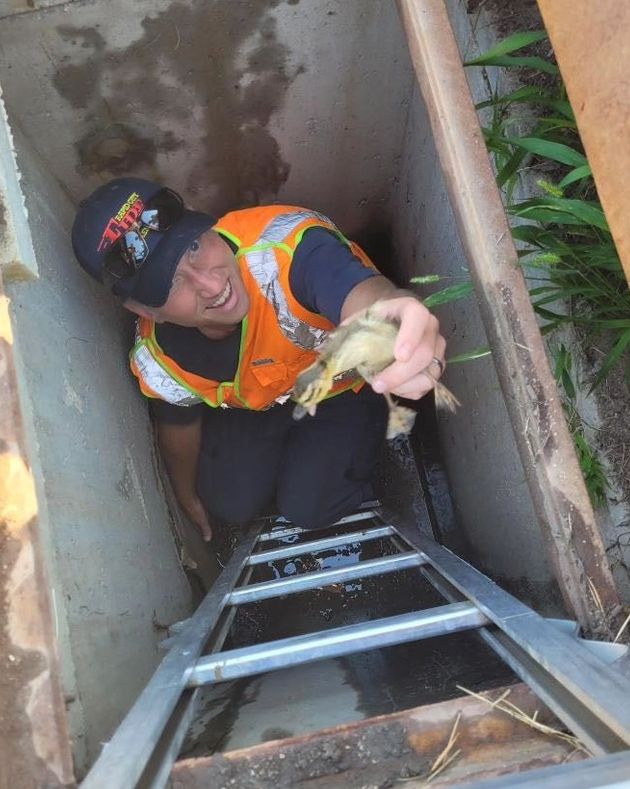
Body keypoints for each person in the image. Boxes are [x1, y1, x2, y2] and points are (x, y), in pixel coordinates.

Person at [71, 178, 447, 541]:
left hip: (339, 391)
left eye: (193, 248)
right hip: (262, 404)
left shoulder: (285, 251)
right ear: (145, 310)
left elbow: (359, 293)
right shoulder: (163, 363)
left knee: (308, 509)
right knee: (228, 505)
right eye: (171, 284)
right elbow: (178, 428)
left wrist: (390, 322)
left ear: (201, 218)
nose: (213, 285)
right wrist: (185, 496)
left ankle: (349, 472)